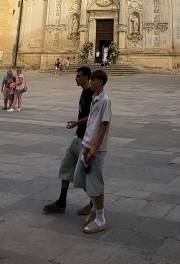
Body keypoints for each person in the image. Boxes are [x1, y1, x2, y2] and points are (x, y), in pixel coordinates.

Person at [42, 66, 94, 216]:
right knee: (65, 167)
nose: (75, 78)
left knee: (82, 175)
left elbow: (94, 117)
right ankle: (61, 202)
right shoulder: (84, 92)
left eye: (78, 76)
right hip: (77, 137)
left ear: (86, 77)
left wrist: (77, 123)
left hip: (86, 140)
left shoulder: (92, 95)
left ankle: (94, 204)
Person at [72, 68, 112, 234]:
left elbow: (104, 123)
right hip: (86, 144)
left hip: (95, 148)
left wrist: (95, 148)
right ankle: (96, 205)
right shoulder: (95, 98)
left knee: (95, 183)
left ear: (100, 82)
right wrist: (78, 123)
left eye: (93, 80)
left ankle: (100, 218)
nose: (91, 82)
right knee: (79, 178)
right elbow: (92, 117)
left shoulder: (105, 100)